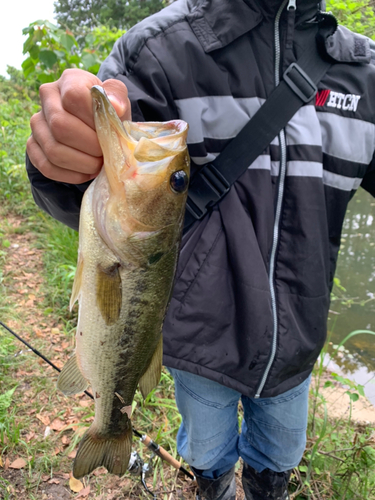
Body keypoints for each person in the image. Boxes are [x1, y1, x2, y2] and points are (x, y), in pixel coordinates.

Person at [26, 1, 375, 498]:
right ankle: (212, 486)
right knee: (208, 452)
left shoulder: (364, 73)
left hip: (295, 343)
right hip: (198, 339)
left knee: (278, 454)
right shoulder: (161, 52)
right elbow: (84, 178)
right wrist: (62, 158)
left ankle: (266, 486)